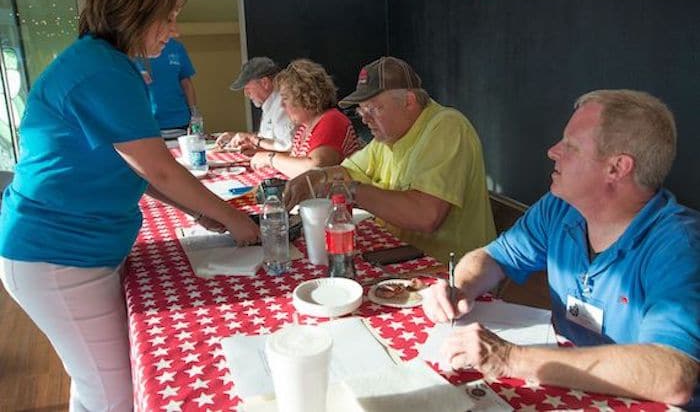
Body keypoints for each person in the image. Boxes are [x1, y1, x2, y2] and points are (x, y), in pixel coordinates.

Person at [0, 0, 259, 411]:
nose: (174, 30)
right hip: (59, 255)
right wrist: (235, 219)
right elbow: (156, 167)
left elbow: (134, 168)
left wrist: (201, 211)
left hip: (67, 251)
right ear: (134, 10)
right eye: (168, 17)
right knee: (113, 396)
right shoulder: (103, 70)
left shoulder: (102, 62)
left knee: (96, 385)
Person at [423, 90, 699, 406]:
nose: (553, 151)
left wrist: (510, 358)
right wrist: (461, 288)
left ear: (617, 168)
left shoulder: (680, 247)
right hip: (568, 392)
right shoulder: (560, 208)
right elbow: (492, 257)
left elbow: (673, 375)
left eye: (570, 145)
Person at [284, 56, 496, 264]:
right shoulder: (387, 137)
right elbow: (345, 172)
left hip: (451, 275)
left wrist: (350, 190)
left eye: (373, 109)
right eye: (361, 111)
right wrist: (316, 176)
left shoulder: (447, 127)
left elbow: (425, 215)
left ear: (409, 101)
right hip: (401, 260)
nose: (365, 119)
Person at [250, 58, 361, 178]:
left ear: (305, 96)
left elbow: (315, 169)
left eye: (285, 98)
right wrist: (260, 155)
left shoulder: (332, 120)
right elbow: (295, 162)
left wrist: (270, 158)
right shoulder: (305, 127)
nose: (282, 105)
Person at [216, 56, 294, 153]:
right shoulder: (270, 104)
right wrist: (237, 136)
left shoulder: (282, 105)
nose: (246, 94)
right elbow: (266, 138)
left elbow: (286, 147)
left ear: (265, 83)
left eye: (247, 88)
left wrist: (251, 138)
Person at [137, 37, 198, 139]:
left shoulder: (176, 47)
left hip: (180, 122)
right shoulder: (128, 49)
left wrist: (194, 115)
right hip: (147, 124)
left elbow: (186, 83)